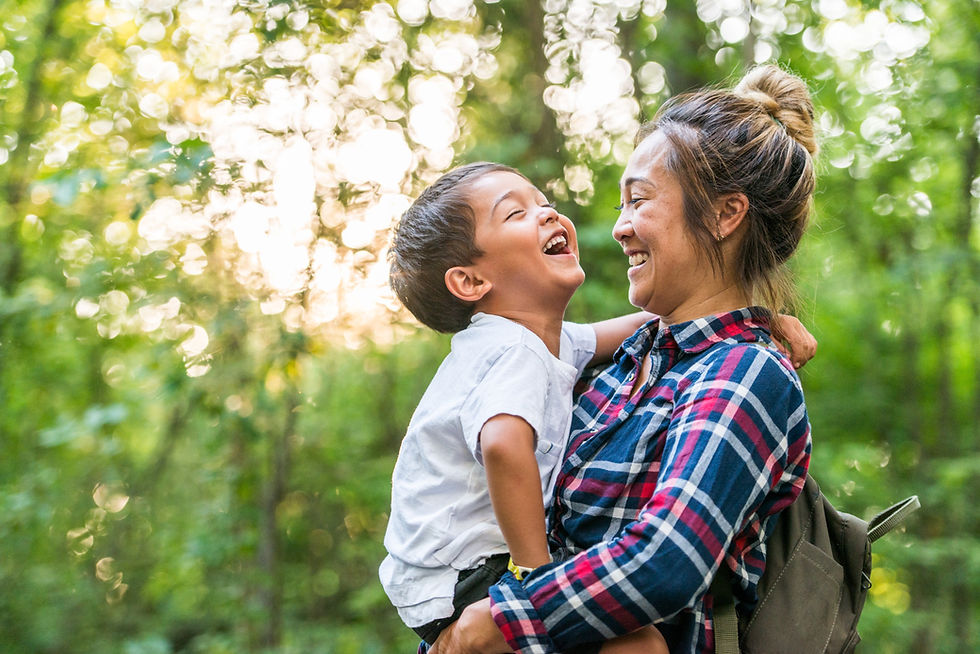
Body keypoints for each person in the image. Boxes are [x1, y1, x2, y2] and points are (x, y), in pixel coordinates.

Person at [428, 63, 818, 654]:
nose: (619, 228)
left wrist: (495, 624)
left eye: (638, 200)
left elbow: (665, 560)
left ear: (724, 215)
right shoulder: (625, 362)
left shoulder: (747, 373)